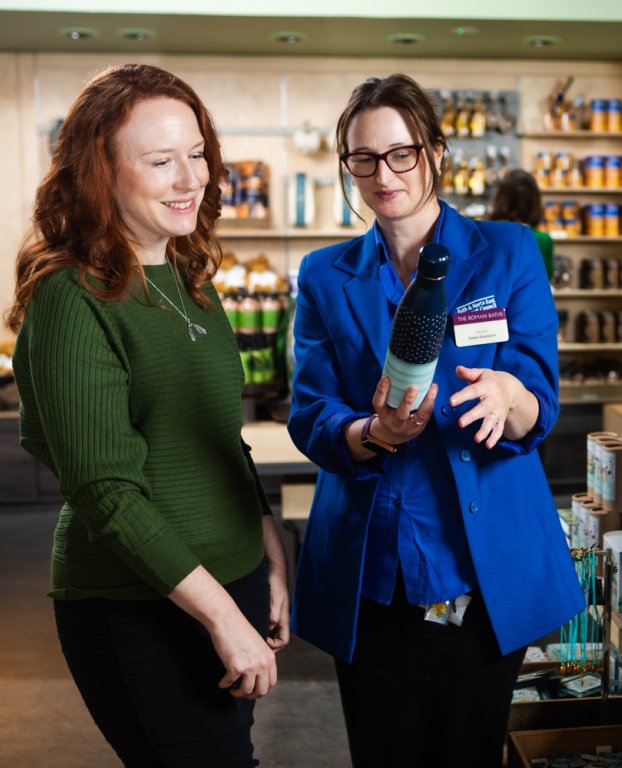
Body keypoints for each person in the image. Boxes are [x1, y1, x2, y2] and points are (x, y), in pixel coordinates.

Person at [287, 74, 585, 768]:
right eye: (364, 158)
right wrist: (368, 433)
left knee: (468, 753)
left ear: (437, 154)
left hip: (479, 579)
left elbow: (541, 395)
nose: (384, 174)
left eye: (402, 153)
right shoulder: (326, 275)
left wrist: (509, 396)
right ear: (347, 166)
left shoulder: (506, 253)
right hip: (371, 579)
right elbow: (312, 412)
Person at [7, 64, 289, 767]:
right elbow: (105, 491)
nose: (189, 178)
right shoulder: (71, 297)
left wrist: (267, 546)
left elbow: (222, 438)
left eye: (197, 154)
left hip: (234, 579)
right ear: (99, 172)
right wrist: (224, 617)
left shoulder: (192, 280)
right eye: (161, 161)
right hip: (140, 607)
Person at [490, 168, 555, 280]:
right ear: (535, 202)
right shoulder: (543, 240)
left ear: (500, 199)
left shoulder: (488, 236)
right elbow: (547, 278)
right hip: (532, 297)